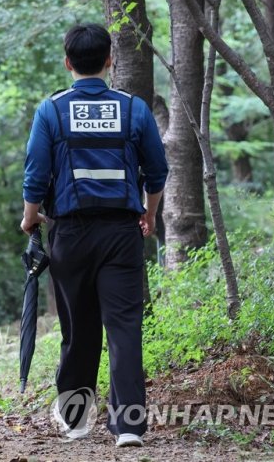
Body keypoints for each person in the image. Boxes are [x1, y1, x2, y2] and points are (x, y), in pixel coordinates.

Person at [21, 24, 168, 448]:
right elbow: (157, 172)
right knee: (124, 327)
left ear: (68, 63)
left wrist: (30, 218)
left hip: (70, 234)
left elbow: (36, 176)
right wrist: (150, 215)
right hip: (123, 232)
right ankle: (129, 427)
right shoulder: (133, 109)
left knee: (78, 328)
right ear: (110, 60)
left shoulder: (51, 110)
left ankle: (76, 419)